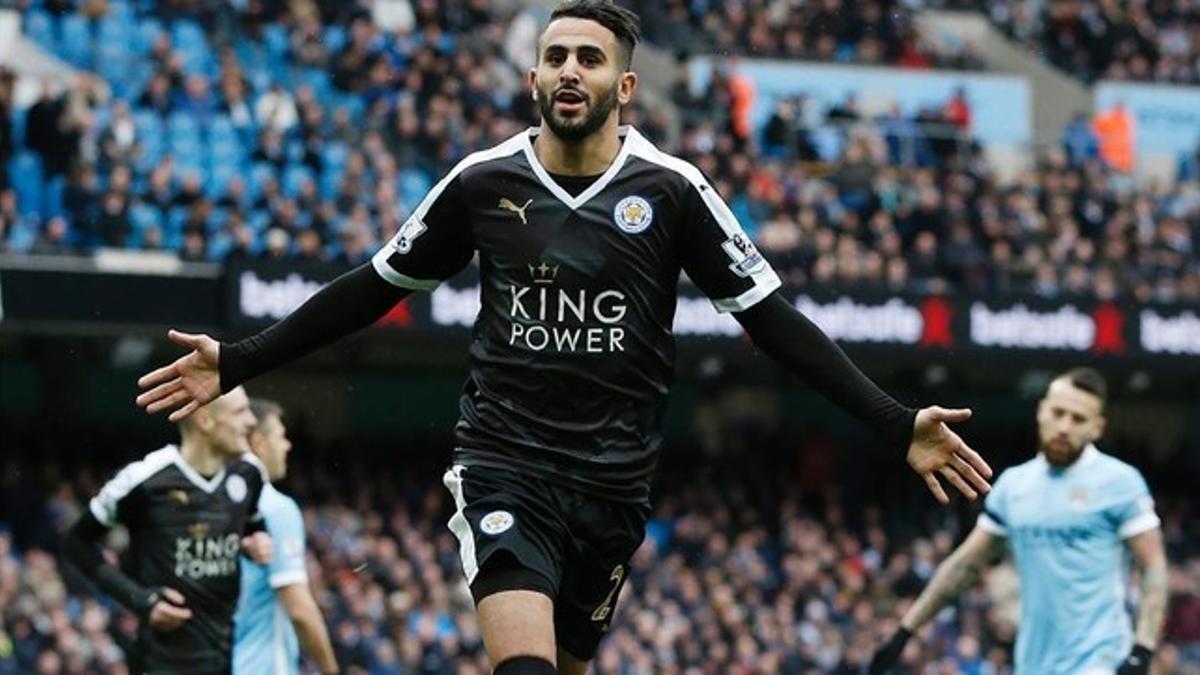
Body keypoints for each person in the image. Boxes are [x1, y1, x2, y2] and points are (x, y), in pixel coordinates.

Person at [135, 2, 992, 673]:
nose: (568, 70)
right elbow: (371, 290)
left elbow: (771, 320)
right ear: (534, 78)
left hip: (614, 484)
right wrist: (240, 359)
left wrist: (892, 419)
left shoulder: (673, 191)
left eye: (589, 58)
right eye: (555, 56)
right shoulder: (483, 181)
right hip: (506, 460)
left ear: (624, 86)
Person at [869, 368, 1168, 675]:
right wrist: (905, 630)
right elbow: (964, 566)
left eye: (1078, 419)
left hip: (1100, 661)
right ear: (1041, 411)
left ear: (1097, 427)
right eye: (1058, 413)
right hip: (1033, 664)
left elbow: (1154, 569)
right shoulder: (1014, 486)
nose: (1064, 426)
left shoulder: (1121, 483)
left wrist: (1142, 649)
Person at [63, 387, 273, 674]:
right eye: (240, 412)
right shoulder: (144, 481)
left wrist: (257, 540)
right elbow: (76, 543)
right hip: (160, 662)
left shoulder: (249, 474)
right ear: (205, 420)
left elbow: (252, 525)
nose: (251, 421)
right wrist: (140, 599)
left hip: (224, 659)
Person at [233, 399, 339, 674]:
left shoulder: (217, 501)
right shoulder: (275, 507)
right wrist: (330, 670)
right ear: (258, 442)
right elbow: (299, 609)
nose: (287, 445)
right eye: (280, 436)